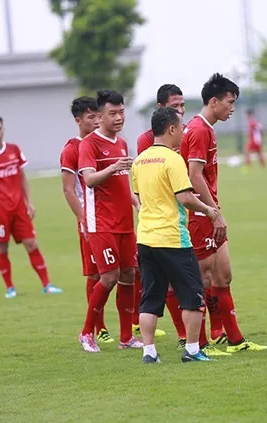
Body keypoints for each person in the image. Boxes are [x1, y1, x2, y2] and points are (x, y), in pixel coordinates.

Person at [181, 73, 267, 354]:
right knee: (203, 279)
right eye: (230, 103)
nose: (233, 108)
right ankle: (201, 343)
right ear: (213, 101)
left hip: (210, 213)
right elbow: (194, 175)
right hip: (199, 214)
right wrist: (213, 212)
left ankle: (234, 341)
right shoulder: (198, 130)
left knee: (223, 276)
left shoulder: (207, 128)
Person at [133, 107, 221, 363]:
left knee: (150, 298)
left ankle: (149, 353)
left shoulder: (139, 161)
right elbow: (184, 197)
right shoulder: (173, 160)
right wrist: (208, 210)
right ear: (171, 129)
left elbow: (139, 198)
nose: (184, 132)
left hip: (145, 238)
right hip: (172, 238)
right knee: (193, 294)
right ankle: (192, 350)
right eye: (181, 128)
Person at [0, 113, 63, 298]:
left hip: (19, 207)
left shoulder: (14, 149)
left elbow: (22, 176)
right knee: (2, 247)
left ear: (3, 129)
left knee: (31, 243)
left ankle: (47, 284)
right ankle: (10, 288)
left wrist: (29, 202)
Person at [77, 89, 143, 352]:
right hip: (101, 222)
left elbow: (122, 183)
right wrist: (114, 167)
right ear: (100, 116)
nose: (118, 118)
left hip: (124, 221)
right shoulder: (89, 144)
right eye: (112, 113)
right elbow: (90, 179)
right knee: (109, 277)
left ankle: (126, 337)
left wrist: (136, 202)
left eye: (121, 112)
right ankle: (86, 332)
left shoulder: (122, 143)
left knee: (130, 274)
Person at [134, 84, 188, 346]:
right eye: (174, 107)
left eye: (182, 105)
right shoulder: (151, 143)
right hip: (171, 227)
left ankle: (150, 350)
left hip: (147, 232)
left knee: (152, 293)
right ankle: (190, 343)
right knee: (190, 287)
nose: (180, 111)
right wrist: (209, 209)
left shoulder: (186, 133)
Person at [60, 96, 113, 344]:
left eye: (97, 115)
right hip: (90, 220)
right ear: (77, 120)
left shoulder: (103, 143)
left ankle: (129, 328)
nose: (95, 121)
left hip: (111, 217)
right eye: (90, 117)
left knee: (125, 272)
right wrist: (82, 219)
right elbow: (69, 190)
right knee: (96, 275)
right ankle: (97, 328)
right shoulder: (72, 148)